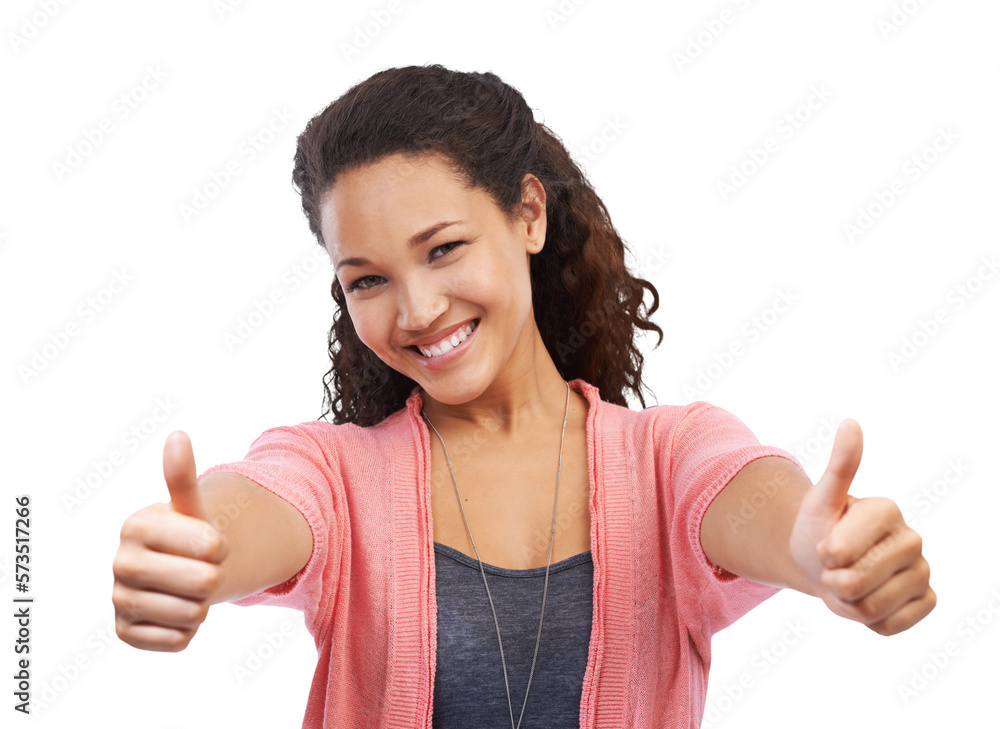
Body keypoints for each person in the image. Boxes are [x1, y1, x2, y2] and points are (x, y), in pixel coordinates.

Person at [112, 64, 935, 728]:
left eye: (443, 248)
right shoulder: (340, 474)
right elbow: (264, 501)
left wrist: (819, 549)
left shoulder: (665, 458)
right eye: (367, 279)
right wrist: (199, 547)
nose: (417, 310)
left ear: (529, 213)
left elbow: (745, 498)